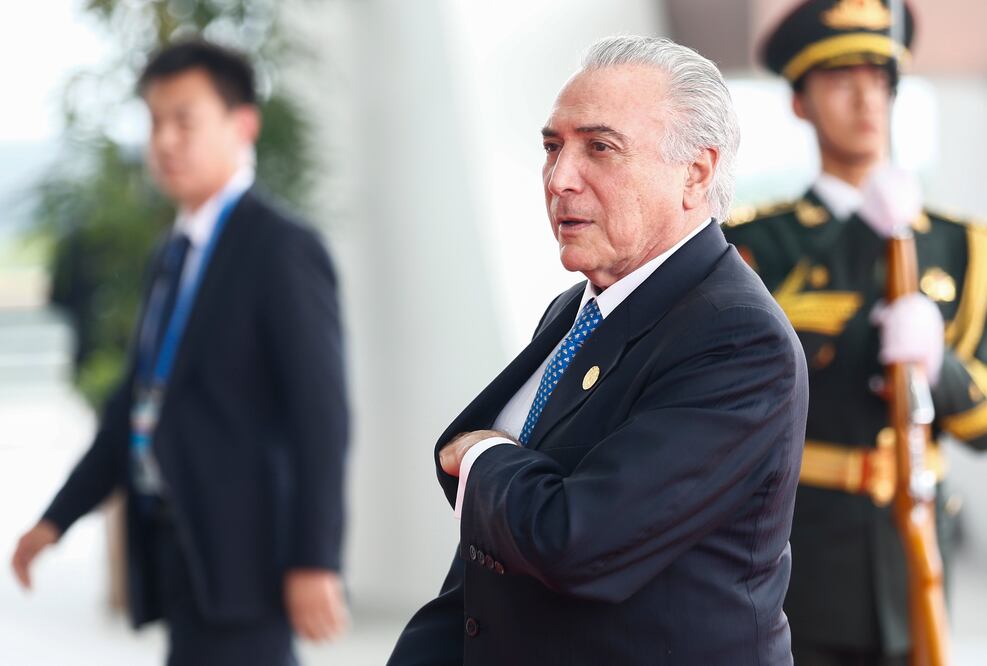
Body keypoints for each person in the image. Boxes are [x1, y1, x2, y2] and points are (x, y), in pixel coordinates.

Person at [388, 35, 808, 666]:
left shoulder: (737, 337)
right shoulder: (578, 307)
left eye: (600, 148)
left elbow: (575, 541)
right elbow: (494, 565)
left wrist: (484, 456)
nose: (560, 180)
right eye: (552, 147)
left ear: (696, 173)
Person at [10, 39, 350, 666]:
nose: (164, 140)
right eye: (155, 120)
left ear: (242, 124)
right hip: (178, 543)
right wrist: (55, 520)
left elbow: (321, 418)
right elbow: (135, 404)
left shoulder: (280, 248)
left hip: (246, 558)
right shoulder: (171, 255)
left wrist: (314, 559)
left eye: (184, 120)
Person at [723, 1, 987, 664]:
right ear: (798, 102)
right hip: (801, 552)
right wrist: (861, 234)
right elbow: (751, 383)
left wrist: (938, 369)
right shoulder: (755, 244)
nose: (865, 99)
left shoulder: (959, 245)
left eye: (879, 79)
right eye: (840, 79)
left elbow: (981, 426)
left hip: (915, 546)